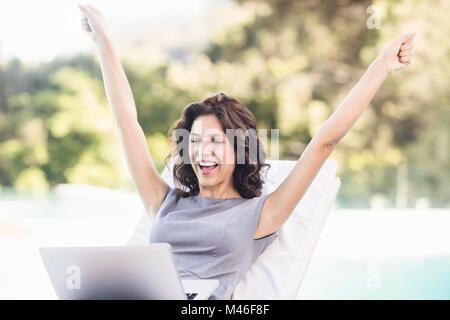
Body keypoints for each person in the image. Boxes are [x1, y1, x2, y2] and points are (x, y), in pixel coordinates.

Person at [78, 4, 415, 299]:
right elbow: (126, 123)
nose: (201, 152)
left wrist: (380, 68)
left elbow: (324, 142)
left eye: (215, 141)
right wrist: (104, 41)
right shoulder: (165, 203)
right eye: (194, 141)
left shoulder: (258, 215)